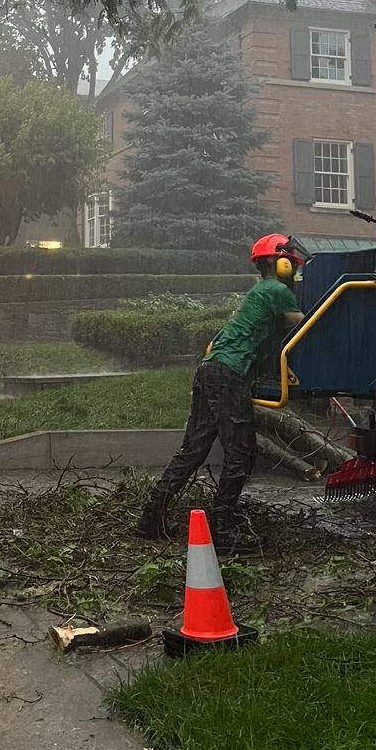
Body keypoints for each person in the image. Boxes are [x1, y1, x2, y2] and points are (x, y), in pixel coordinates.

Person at [134, 234, 306, 551]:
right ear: (281, 264)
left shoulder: (259, 291)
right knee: (241, 452)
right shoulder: (277, 290)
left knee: (193, 451)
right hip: (229, 375)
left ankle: (150, 519)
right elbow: (303, 323)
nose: (293, 271)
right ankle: (223, 530)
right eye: (292, 265)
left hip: (209, 370)